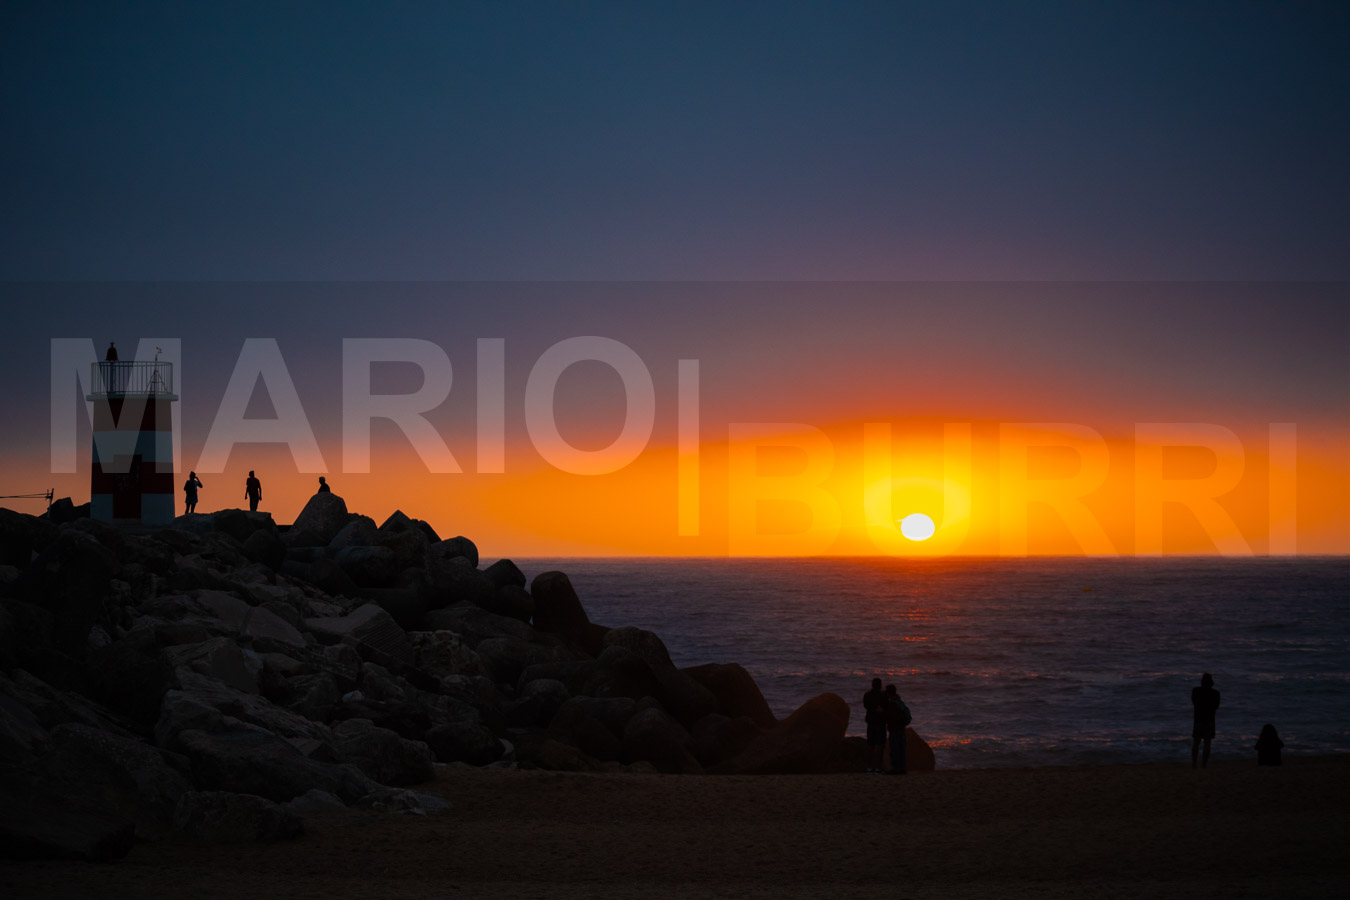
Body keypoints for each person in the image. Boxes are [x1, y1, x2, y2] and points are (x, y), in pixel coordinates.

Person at [1191, 672, 1221, 768]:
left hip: (1198, 719)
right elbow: (1216, 706)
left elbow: (1194, 702)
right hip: (1209, 720)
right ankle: (1204, 764)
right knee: (1207, 743)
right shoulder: (1215, 693)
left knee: (1196, 742)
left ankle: (1194, 764)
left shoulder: (1196, 691)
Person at [883, 684, 912, 775]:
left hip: (894, 728)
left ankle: (896, 768)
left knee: (895, 748)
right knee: (901, 748)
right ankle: (902, 768)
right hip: (901, 728)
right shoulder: (900, 702)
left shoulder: (892, 704)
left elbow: (889, 717)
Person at [863, 677, 886, 774]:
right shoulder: (883, 695)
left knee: (870, 745)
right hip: (880, 722)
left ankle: (869, 767)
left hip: (870, 721)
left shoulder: (867, 695)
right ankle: (878, 767)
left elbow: (865, 706)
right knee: (880, 745)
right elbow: (886, 707)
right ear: (880, 685)